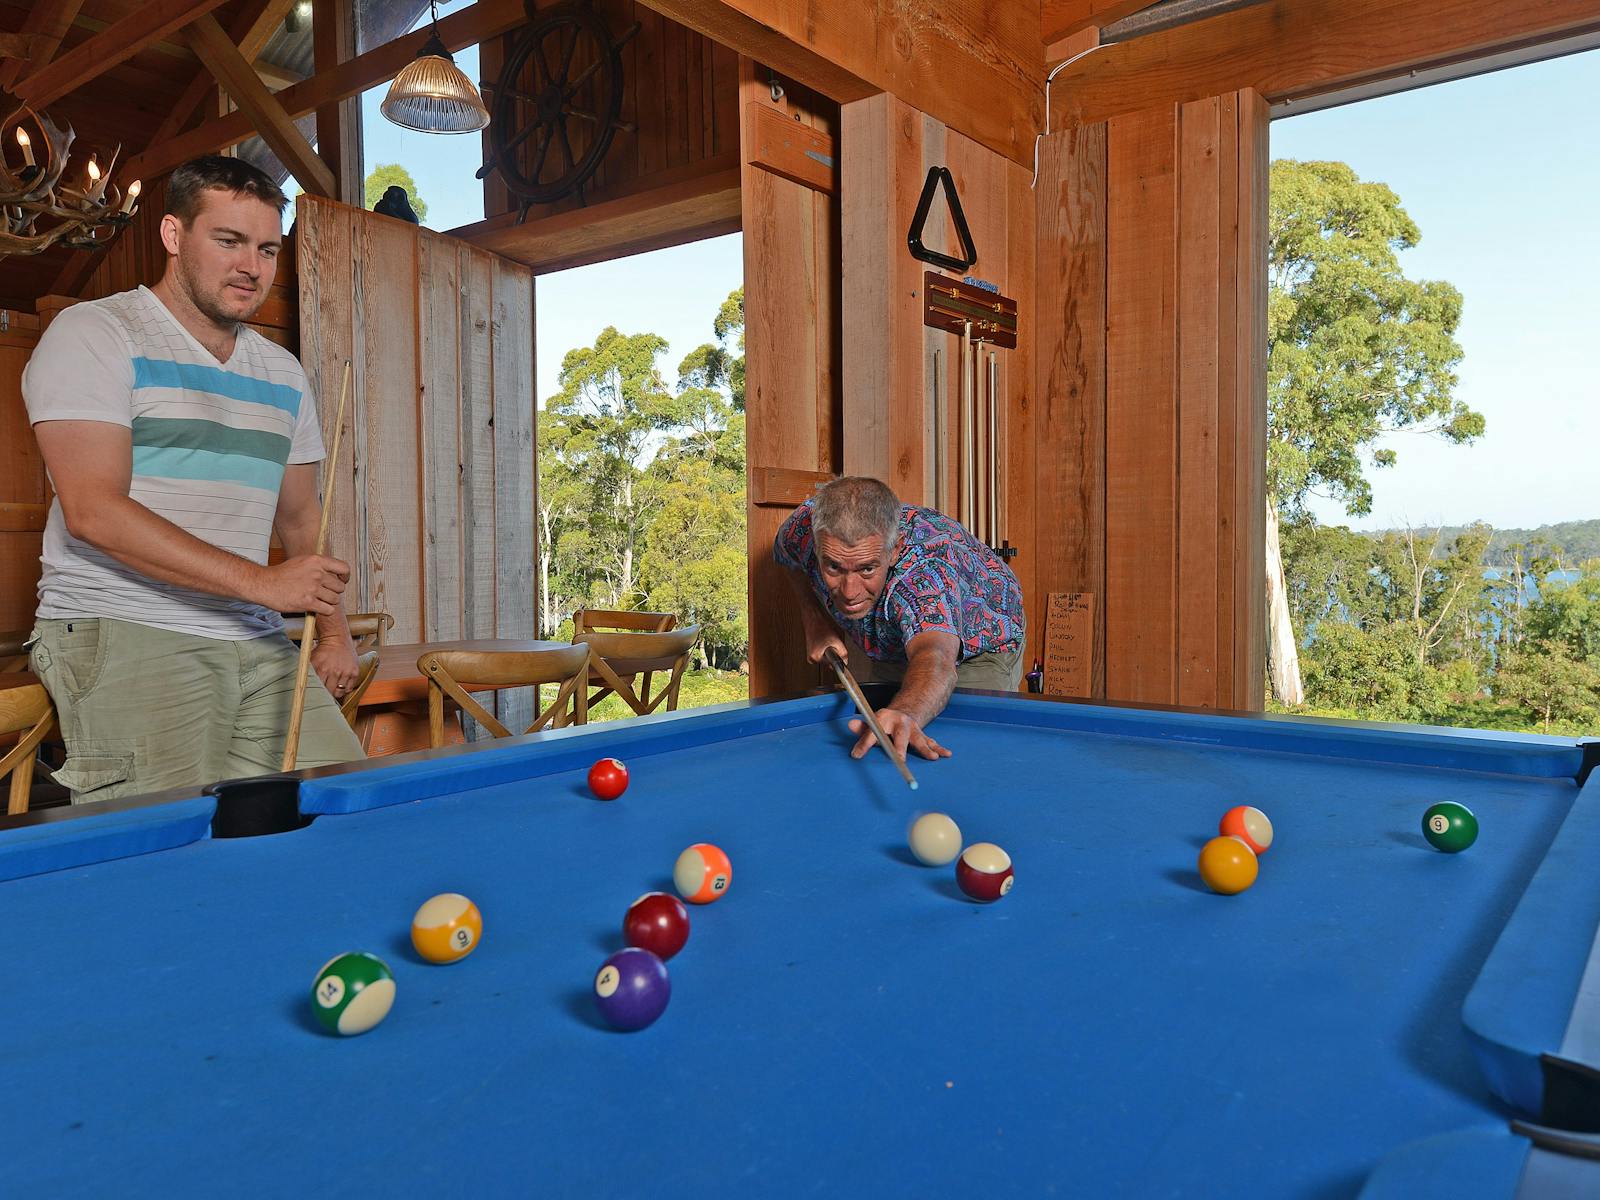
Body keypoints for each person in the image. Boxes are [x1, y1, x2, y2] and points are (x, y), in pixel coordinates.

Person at [22, 155, 363, 803]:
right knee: (163, 854)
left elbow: (300, 518)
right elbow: (93, 511)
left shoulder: (283, 374)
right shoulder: (96, 332)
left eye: (267, 248)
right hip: (124, 625)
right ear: (174, 236)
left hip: (254, 636)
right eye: (229, 241)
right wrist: (264, 583)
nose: (251, 266)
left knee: (338, 809)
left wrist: (337, 632)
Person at [774, 476, 1025, 762]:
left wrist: (906, 711)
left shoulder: (925, 575)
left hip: (983, 640)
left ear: (895, 550)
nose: (849, 592)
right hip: (893, 639)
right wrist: (815, 622)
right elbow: (787, 557)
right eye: (834, 567)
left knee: (967, 752)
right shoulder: (801, 528)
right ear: (816, 544)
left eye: (867, 569)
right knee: (887, 732)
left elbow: (936, 658)